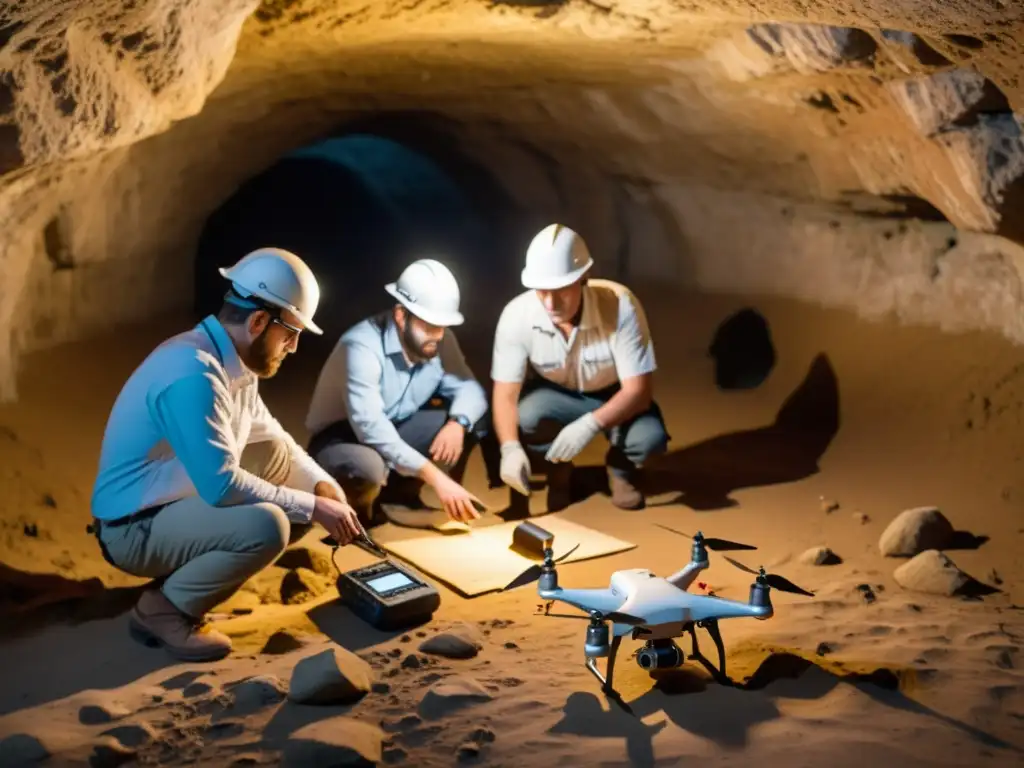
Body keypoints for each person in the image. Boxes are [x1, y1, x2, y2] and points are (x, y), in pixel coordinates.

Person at [89, 247, 363, 663]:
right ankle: (163, 610)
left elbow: (277, 441)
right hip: (132, 528)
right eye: (290, 333)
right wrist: (313, 507)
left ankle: (196, 577)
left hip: (170, 502)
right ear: (257, 322)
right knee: (269, 525)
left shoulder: (232, 362)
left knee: (273, 457)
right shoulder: (193, 373)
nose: (292, 346)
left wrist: (322, 486)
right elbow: (220, 485)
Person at [490, 223, 670, 511]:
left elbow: (639, 391)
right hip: (557, 394)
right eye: (542, 291)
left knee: (649, 439)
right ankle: (558, 471)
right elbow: (505, 394)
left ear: (584, 278)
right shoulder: (517, 316)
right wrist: (509, 448)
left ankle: (620, 468)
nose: (550, 302)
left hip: (616, 394)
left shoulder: (620, 305)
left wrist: (589, 425)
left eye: (561, 289)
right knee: (527, 417)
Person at [305, 258, 493, 524]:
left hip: (395, 427)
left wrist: (458, 424)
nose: (437, 335)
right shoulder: (360, 346)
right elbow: (371, 428)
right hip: (341, 441)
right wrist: (435, 476)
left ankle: (401, 496)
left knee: (472, 418)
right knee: (367, 468)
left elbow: (470, 389)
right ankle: (358, 519)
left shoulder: (439, 339)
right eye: (428, 324)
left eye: (442, 326)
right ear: (400, 315)